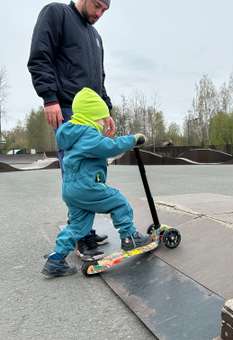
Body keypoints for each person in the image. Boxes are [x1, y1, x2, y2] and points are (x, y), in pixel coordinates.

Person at [27, 0, 114, 258]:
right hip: (67, 110)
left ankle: (84, 229)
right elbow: (40, 57)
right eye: (97, 6)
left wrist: (106, 109)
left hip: (92, 117)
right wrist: (49, 98)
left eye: (104, 11)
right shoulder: (57, 13)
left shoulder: (95, 36)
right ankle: (80, 234)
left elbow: (100, 78)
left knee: (92, 172)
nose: (99, 14)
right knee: (76, 172)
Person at [42, 87, 153, 277]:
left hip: (71, 189)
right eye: (100, 119)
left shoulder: (72, 134)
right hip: (87, 187)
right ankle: (130, 237)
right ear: (91, 118)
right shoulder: (88, 135)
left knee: (77, 226)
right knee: (118, 201)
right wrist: (133, 139)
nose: (102, 124)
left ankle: (56, 259)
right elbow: (110, 147)